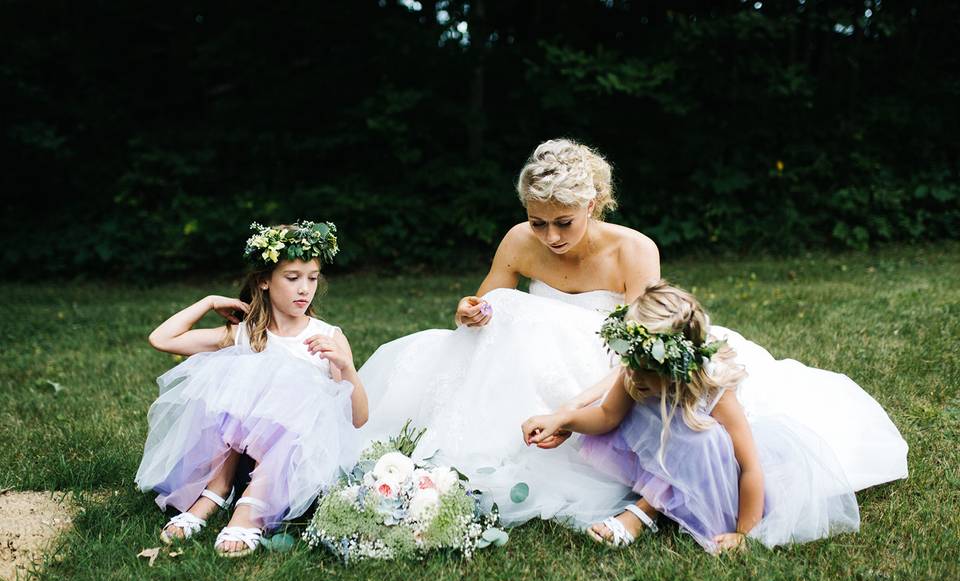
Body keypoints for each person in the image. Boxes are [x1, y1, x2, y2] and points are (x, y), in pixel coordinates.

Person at [358, 139, 660, 526]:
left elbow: (641, 349)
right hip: (521, 362)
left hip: (597, 368)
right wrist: (468, 312)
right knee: (505, 310)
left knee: (522, 316)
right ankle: (471, 453)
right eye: (538, 222)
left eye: (563, 222)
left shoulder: (633, 250)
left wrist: (574, 410)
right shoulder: (520, 239)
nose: (550, 237)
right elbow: (483, 307)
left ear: (591, 203)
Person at [522, 282, 863, 553]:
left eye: (646, 369)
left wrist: (745, 533)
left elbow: (750, 467)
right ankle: (651, 507)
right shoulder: (636, 372)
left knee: (698, 435)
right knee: (656, 422)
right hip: (662, 448)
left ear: (675, 366)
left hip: (717, 468)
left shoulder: (714, 391)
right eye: (631, 364)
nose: (634, 376)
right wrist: (563, 420)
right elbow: (607, 416)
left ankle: (644, 513)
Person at [135, 221, 367, 557]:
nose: (304, 289)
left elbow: (358, 418)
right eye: (292, 278)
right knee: (235, 372)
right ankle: (216, 492)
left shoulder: (326, 337)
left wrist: (345, 367)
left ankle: (251, 509)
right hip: (240, 457)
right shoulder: (244, 334)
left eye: (312, 278)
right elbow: (162, 339)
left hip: (297, 460)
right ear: (264, 281)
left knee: (291, 387)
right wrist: (210, 301)